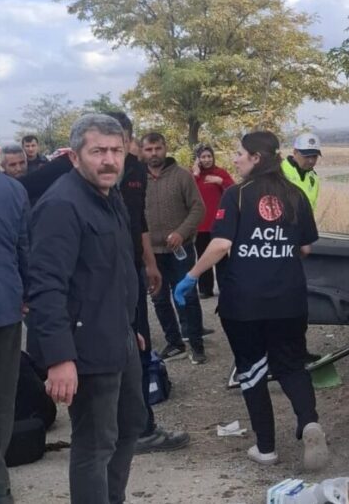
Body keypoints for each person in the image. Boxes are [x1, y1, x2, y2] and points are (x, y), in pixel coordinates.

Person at [176, 131, 328, 470]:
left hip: (244, 303)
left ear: (257, 157)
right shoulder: (295, 195)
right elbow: (305, 248)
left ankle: (266, 447)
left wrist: (190, 276)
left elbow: (219, 245)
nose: (235, 159)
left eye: (241, 153)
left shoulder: (237, 195)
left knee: (252, 370)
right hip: (289, 300)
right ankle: (308, 421)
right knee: (290, 364)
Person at [25, 114, 145, 504]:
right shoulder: (62, 205)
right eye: (98, 151)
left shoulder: (110, 198)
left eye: (116, 151)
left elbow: (118, 271)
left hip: (120, 338)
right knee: (95, 444)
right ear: (75, 157)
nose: (109, 160)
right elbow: (45, 287)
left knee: (130, 427)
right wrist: (60, 358)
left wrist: (132, 325)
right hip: (84, 347)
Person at [102, 114, 190, 455]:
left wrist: (150, 263)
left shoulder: (136, 170)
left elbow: (137, 220)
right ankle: (109, 428)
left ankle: (142, 427)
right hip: (98, 278)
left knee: (139, 345)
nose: (112, 152)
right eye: (103, 144)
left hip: (132, 270)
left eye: (119, 140)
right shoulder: (74, 175)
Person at [141, 133, 207, 364]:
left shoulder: (182, 176)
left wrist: (181, 232)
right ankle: (174, 341)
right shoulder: (136, 179)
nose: (154, 154)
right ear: (142, 151)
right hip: (151, 253)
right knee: (159, 299)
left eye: (157, 148)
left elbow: (198, 209)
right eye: (148, 149)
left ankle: (196, 344)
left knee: (186, 296)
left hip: (181, 249)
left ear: (165, 148)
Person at [0, 168, 30, 504]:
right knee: (3, 399)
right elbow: (25, 246)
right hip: (5, 301)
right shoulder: (13, 189)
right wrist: (26, 292)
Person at [191, 144, 234, 299]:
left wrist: (220, 181)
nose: (207, 159)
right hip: (200, 225)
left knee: (222, 257)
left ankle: (225, 286)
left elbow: (234, 190)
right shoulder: (192, 175)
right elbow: (186, 192)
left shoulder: (220, 173)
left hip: (218, 223)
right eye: (203, 157)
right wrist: (195, 174)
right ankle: (205, 288)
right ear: (198, 159)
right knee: (203, 257)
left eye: (209, 156)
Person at [281, 132, 321, 212]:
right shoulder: (279, 171)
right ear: (295, 152)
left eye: (314, 156)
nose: (311, 161)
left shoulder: (313, 177)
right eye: (306, 156)